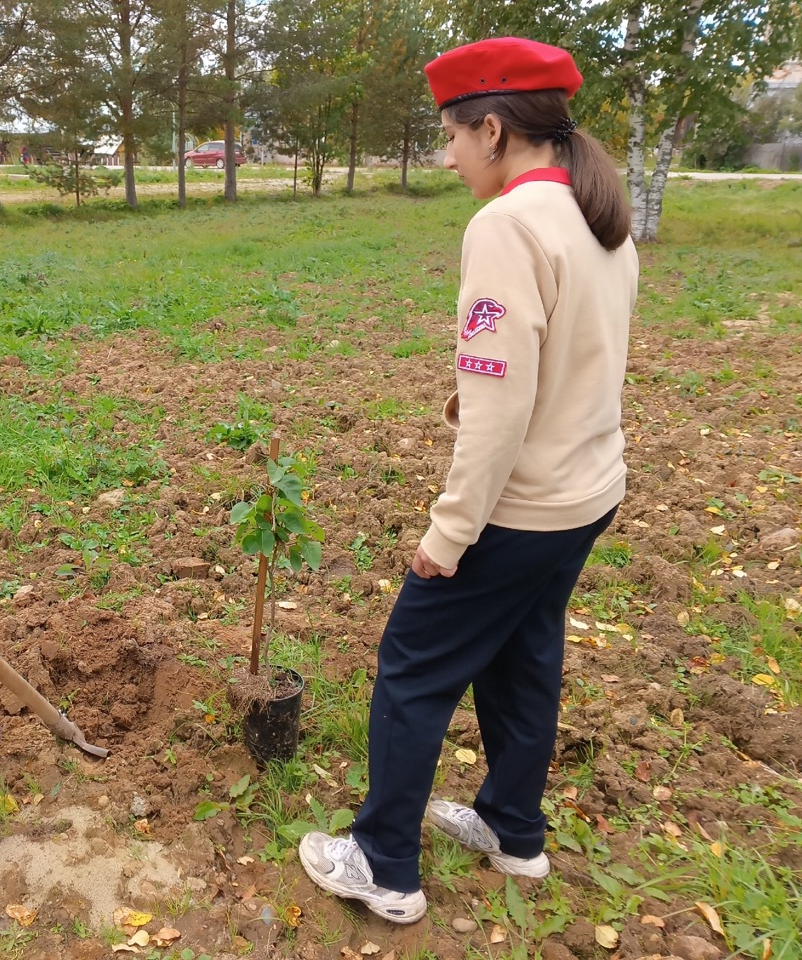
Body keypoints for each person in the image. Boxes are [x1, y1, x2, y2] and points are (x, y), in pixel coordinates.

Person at [297, 37, 637, 924]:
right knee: (526, 657)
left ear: (493, 129)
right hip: (588, 494)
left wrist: (447, 536)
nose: (447, 156)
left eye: (452, 135)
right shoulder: (599, 215)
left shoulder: (507, 226)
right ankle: (512, 830)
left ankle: (384, 865)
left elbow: (497, 411)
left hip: (520, 510)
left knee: (413, 666)